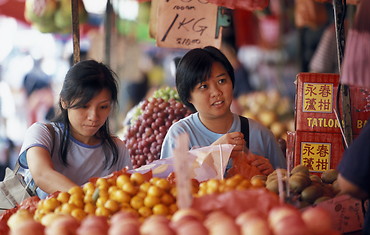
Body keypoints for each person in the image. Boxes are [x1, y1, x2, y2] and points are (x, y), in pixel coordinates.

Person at [160, 46, 286, 176]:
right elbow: (170, 189)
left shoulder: (260, 134)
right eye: (203, 86)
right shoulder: (179, 135)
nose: (216, 92)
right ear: (188, 96)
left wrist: (272, 176)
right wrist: (214, 153)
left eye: (221, 81)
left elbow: (288, 187)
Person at [17, 60, 132, 199]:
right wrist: (90, 200)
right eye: (84, 106)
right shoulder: (42, 133)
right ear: (64, 101)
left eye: (103, 107)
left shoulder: (117, 149)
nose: (93, 116)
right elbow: (42, 175)